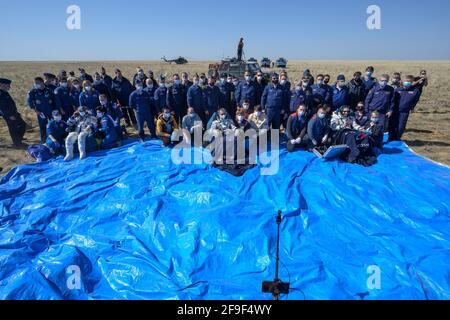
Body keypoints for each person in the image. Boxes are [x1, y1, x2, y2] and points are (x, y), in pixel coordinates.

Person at [390, 75, 421, 140]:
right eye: (406, 81)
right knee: (393, 125)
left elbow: (415, 100)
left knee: (401, 126)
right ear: (403, 81)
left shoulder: (415, 91)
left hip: (404, 111)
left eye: (409, 81)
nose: (407, 82)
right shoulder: (397, 90)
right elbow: (392, 100)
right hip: (395, 110)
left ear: (412, 82)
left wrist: (412, 107)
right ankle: (391, 137)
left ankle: (397, 138)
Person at [27, 77, 56, 143]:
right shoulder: (33, 92)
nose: (35, 84)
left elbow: (54, 100)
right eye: (35, 83)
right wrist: (36, 111)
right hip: (41, 112)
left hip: (50, 111)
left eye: (37, 83)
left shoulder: (49, 90)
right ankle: (43, 141)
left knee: (53, 125)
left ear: (42, 82)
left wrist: (55, 110)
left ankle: (54, 139)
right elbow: (30, 102)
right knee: (43, 127)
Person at [0, 78, 26, 147]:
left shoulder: (5, 92)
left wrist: (16, 112)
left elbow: (10, 104)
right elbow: (2, 107)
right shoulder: (0, 94)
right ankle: (17, 143)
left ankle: (18, 140)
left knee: (22, 125)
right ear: (2, 84)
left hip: (13, 113)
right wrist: (9, 115)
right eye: (7, 85)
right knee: (13, 128)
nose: (8, 87)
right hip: (8, 115)